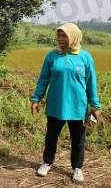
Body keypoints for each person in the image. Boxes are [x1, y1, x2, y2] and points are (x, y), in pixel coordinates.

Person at [30, 23, 102, 183]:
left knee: (78, 139)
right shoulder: (52, 56)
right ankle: (47, 162)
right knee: (51, 136)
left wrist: (95, 105)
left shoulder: (85, 57)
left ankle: (77, 168)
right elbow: (43, 80)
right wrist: (36, 98)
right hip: (56, 105)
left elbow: (91, 83)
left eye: (65, 36)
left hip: (78, 106)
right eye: (59, 35)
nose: (61, 39)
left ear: (74, 37)